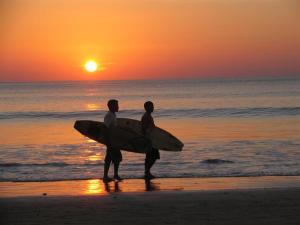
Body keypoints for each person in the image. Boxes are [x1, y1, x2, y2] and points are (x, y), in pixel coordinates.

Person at [103, 99, 122, 182]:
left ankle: (115, 175)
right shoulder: (109, 115)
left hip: (114, 140)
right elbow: (105, 128)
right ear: (111, 106)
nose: (118, 107)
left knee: (116, 158)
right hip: (111, 141)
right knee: (109, 158)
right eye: (116, 105)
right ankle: (105, 176)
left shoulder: (113, 115)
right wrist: (108, 141)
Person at [141, 101, 160, 179]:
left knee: (151, 156)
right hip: (148, 139)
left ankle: (147, 172)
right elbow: (144, 129)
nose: (152, 108)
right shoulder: (146, 116)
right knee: (152, 156)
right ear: (146, 108)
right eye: (151, 106)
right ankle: (147, 172)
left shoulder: (148, 116)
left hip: (151, 139)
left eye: (153, 106)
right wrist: (147, 139)